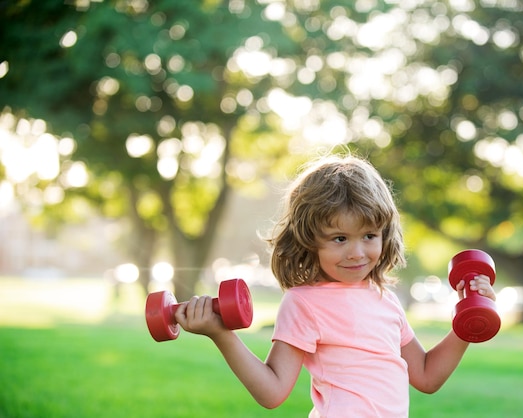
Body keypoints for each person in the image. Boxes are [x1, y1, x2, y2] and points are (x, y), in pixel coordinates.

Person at [175, 154, 496, 417]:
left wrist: (467, 320)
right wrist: (222, 335)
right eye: (340, 238)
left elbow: (426, 376)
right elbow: (272, 392)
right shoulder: (304, 303)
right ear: (309, 240)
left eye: (369, 236)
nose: (357, 252)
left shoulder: (385, 299)